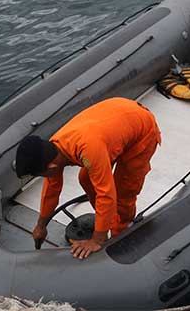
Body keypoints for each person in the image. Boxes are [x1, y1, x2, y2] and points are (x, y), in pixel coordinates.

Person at [14, 97, 161, 260]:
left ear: (51, 168)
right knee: (86, 178)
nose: (45, 178)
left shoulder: (88, 150)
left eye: (41, 175)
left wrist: (97, 240)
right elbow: (51, 190)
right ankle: (106, 221)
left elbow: (106, 194)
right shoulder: (53, 148)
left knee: (122, 193)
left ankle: (119, 236)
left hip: (141, 130)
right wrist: (41, 226)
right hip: (113, 125)